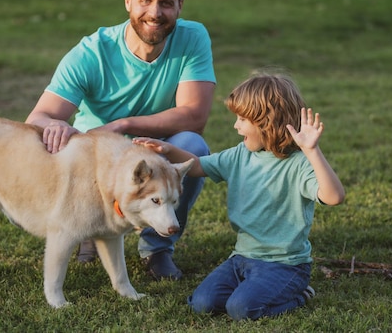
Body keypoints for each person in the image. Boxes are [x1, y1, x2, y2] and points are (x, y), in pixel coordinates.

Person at [25, 0, 216, 280]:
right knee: (47, 153)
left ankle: (156, 248)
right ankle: (88, 227)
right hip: (93, 157)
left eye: (166, 3)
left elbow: (194, 116)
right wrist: (55, 124)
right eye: (145, 0)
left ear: (180, 5)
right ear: (128, 0)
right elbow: (37, 118)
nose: (155, 12)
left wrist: (125, 125)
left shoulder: (192, 37)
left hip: (151, 149)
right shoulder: (91, 53)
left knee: (192, 146)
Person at [133, 73, 345, 321]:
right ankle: (253, 288)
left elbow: (334, 197)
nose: (236, 125)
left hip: (285, 265)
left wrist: (312, 151)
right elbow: (199, 166)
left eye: (242, 119)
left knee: (241, 309)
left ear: (267, 122)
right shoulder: (240, 154)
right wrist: (168, 149)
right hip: (242, 259)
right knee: (202, 304)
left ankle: (299, 294)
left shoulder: (299, 164)